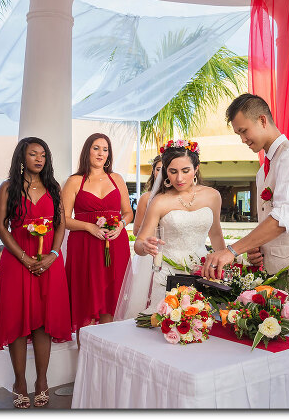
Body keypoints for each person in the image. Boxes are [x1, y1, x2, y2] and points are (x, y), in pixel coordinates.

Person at [202, 94, 289, 326]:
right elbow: (271, 224)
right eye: (238, 134)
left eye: (244, 131)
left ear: (262, 120)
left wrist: (232, 250)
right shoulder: (262, 172)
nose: (243, 140)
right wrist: (259, 250)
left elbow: (282, 219)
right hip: (276, 279)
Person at [0, 137, 72, 408]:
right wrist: (24, 257)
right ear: (22, 158)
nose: (39, 159)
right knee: (17, 321)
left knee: (43, 322)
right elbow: (1, 226)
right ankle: (20, 383)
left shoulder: (53, 187)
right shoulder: (8, 187)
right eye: (33, 154)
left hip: (48, 261)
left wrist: (54, 254)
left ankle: (42, 381)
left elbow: (60, 224)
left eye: (43, 155)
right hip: (17, 261)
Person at [114, 140, 225, 319]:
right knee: (164, 324)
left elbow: (216, 235)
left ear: (196, 168)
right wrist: (145, 246)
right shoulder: (159, 202)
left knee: (202, 324)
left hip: (202, 274)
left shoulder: (212, 196)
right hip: (167, 276)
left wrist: (223, 266)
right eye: (173, 172)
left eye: (185, 171)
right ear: (166, 172)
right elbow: (139, 244)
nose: (179, 178)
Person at [62, 133, 134, 339]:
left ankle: (107, 349)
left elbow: (128, 213)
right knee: (85, 299)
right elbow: (63, 219)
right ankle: (84, 351)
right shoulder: (75, 181)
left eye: (105, 149)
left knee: (111, 299)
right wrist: (88, 227)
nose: (101, 153)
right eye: (96, 148)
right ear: (87, 151)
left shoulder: (116, 179)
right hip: (84, 247)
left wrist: (120, 225)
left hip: (115, 244)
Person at [132, 154, 162, 235]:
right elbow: (136, 231)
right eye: (158, 169)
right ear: (153, 171)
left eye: (165, 169)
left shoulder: (179, 196)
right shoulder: (146, 198)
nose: (161, 173)